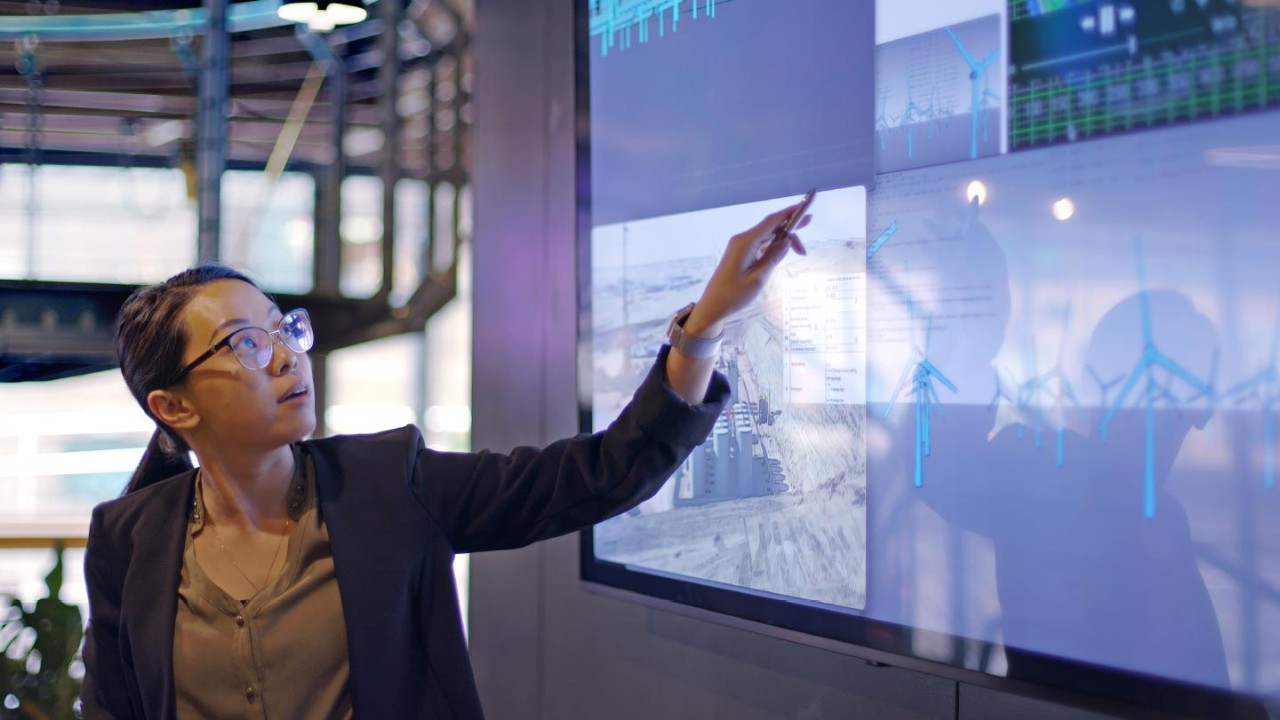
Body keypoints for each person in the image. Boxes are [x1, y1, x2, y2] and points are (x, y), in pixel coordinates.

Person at [79, 205, 809, 719]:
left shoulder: (389, 484)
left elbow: (598, 473)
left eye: (284, 328)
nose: (285, 355)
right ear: (173, 407)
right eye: (244, 343)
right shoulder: (129, 537)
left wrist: (703, 330)